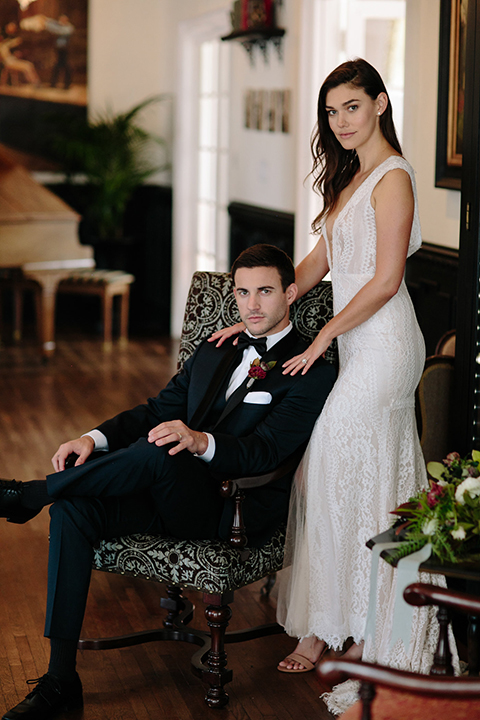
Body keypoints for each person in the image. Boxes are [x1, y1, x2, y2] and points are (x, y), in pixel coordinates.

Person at [0, 244, 336, 720]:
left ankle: (31, 493)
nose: (252, 305)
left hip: (228, 507)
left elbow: (266, 452)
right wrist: (91, 438)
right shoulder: (217, 348)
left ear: (291, 293)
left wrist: (200, 441)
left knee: (162, 449)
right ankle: (59, 681)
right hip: (166, 492)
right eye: (242, 293)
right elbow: (156, 411)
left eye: (265, 291)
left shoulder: (309, 370)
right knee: (73, 509)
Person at [210, 60, 446, 714]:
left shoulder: (393, 177)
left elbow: (386, 280)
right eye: (332, 111)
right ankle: (327, 618)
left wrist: (318, 340)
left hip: (386, 345)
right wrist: (258, 312)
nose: (341, 121)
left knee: (356, 478)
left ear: (379, 103)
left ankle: (373, 635)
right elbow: (318, 264)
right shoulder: (350, 179)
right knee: (324, 476)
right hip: (357, 341)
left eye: (351, 107)